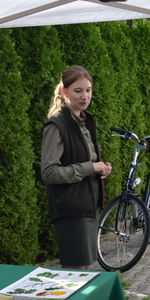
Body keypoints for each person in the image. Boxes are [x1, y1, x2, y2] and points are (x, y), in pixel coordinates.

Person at [41, 66, 112, 270]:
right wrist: (90, 167)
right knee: (75, 275)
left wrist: (101, 168)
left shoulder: (85, 119)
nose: (85, 96)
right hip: (70, 210)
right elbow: (49, 173)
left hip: (88, 206)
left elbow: (86, 160)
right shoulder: (56, 125)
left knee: (84, 270)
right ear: (64, 92)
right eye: (78, 91)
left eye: (88, 90)